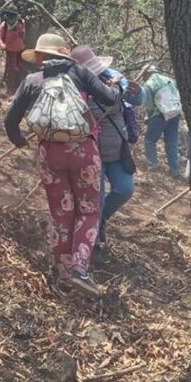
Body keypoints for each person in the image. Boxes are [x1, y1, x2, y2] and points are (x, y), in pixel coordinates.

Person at [5, 33, 121, 297]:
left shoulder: (32, 81)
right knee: (89, 210)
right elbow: (110, 99)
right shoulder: (79, 72)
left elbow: (10, 119)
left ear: (42, 57)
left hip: (49, 154)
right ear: (63, 54)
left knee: (62, 213)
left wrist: (19, 140)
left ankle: (63, 274)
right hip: (83, 151)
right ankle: (81, 268)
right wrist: (114, 86)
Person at [70, 46, 143, 252]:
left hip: (118, 150)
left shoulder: (115, 77)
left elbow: (136, 99)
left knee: (124, 189)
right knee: (97, 200)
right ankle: (90, 242)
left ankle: (99, 223)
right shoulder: (75, 87)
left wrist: (136, 91)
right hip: (92, 152)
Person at [140, 65, 182, 178]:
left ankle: (153, 167)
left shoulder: (148, 84)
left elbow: (149, 106)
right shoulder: (170, 80)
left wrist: (149, 118)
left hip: (160, 115)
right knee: (172, 142)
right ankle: (175, 171)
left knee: (150, 140)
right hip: (175, 113)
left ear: (146, 74)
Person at [0, 10, 27, 95]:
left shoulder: (21, 22)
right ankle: (10, 88)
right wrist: (2, 45)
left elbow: (23, 36)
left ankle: (20, 87)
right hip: (10, 51)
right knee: (11, 69)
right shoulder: (4, 25)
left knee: (20, 68)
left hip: (20, 49)